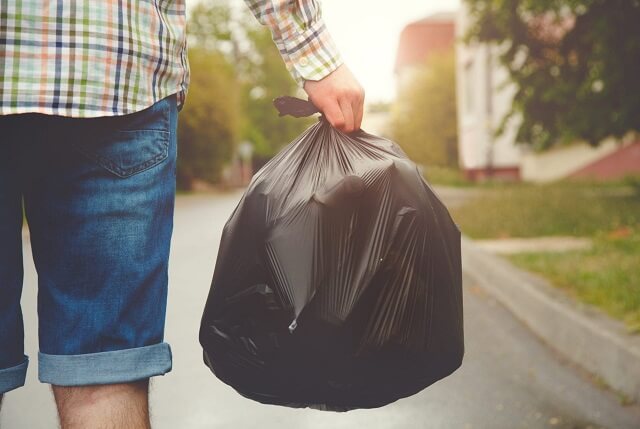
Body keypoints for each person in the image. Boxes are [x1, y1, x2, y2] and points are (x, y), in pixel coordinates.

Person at [0, 0, 364, 427]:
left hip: (114, 84)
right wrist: (313, 52)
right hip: (114, 72)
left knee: (111, 366)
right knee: (107, 371)